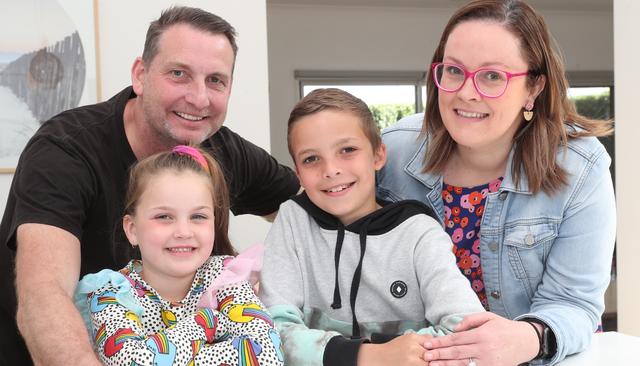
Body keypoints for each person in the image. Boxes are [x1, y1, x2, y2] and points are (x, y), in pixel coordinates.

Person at [0, 6, 298, 365]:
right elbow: (43, 294)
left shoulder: (224, 153)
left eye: (216, 80)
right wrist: (209, 324)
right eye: (179, 74)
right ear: (140, 75)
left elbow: (313, 207)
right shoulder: (66, 150)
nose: (200, 98)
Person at [377, 1, 616, 365]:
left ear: (534, 87)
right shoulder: (392, 151)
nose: (467, 93)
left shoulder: (580, 165)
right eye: (454, 70)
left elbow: (575, 303)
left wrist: (528, 336)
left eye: (492, 76)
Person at [260, 88, 485, 366]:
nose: (330, 169)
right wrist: (370, 356)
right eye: (311, 158)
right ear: (298, 174)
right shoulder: (293, 220)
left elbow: (467, 333)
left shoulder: (420, 233)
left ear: (378, 155)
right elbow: (267, 333)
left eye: (347, 150)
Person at [74, 146, 284, 365]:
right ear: (132, 229)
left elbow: (268, 355)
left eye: (198, 216)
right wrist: (206, 322)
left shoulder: (225, 278)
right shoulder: (109, 293)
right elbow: (132, 362)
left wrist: (162, 355)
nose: (183, 232)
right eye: (164, 216)